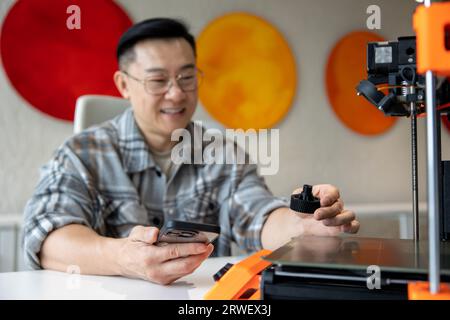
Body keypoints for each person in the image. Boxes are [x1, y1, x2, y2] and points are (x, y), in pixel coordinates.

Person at [22, 18, 359, 285]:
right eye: (158, 81)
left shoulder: (222, 153)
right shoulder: (82, 152)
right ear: (124, 85)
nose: (176, 94)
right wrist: (124, 257)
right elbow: (49, 237)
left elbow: (258, 216)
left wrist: (302, 226)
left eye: (186, 77)